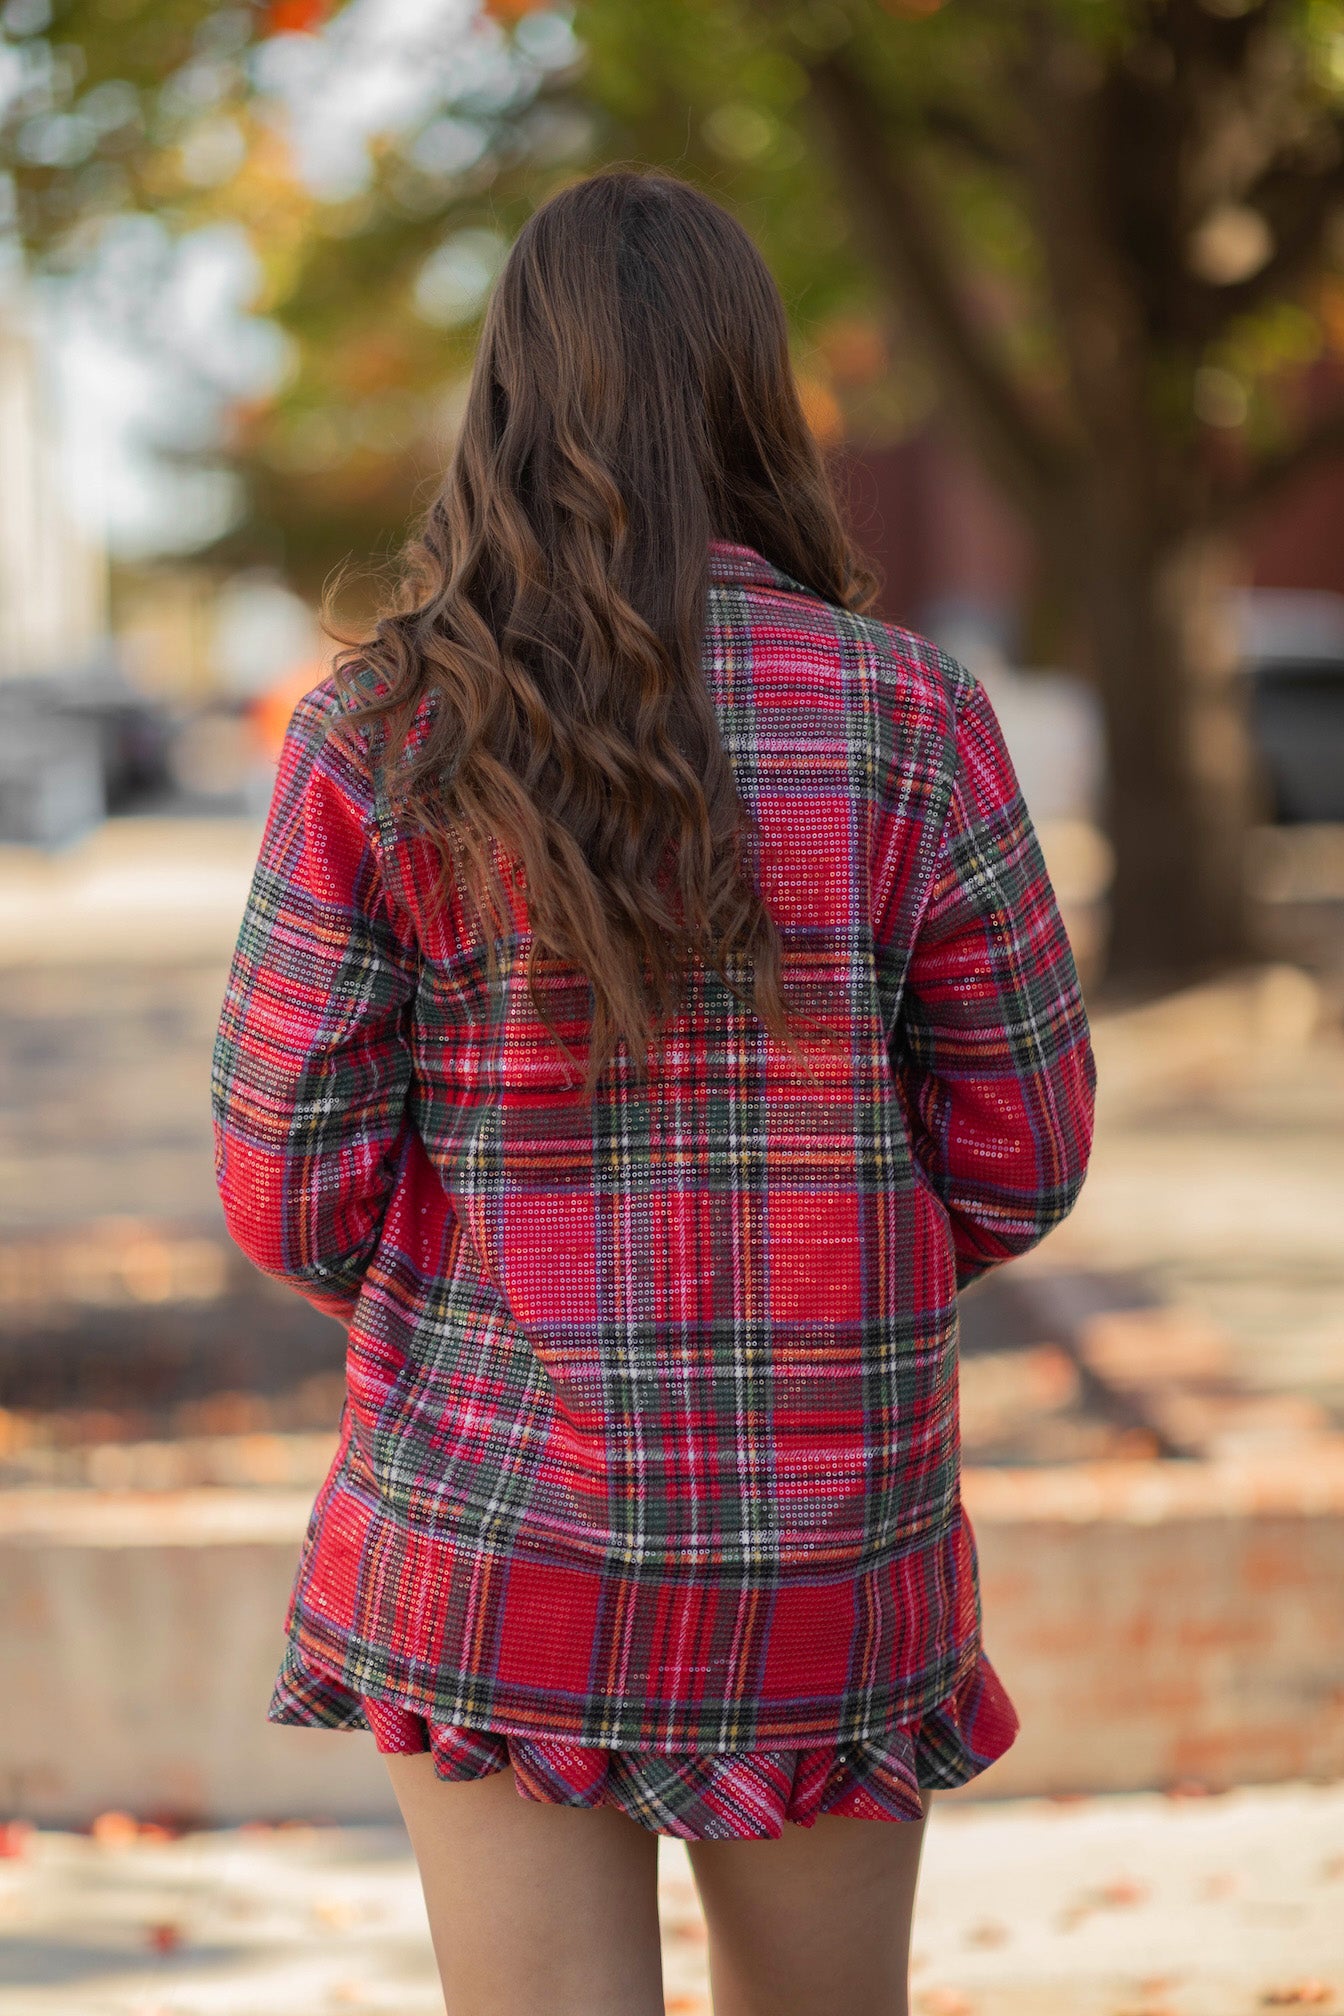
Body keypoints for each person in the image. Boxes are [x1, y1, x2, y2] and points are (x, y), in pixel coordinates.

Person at [211, 163, 1096, 2016]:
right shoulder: (908, 714)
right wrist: (827, 1280)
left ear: (507, 401)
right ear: (754, 394)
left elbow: (287, 1184)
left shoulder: (383, 734)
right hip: (829, 1546)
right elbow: (1025, 1151)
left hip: (492, 1522)